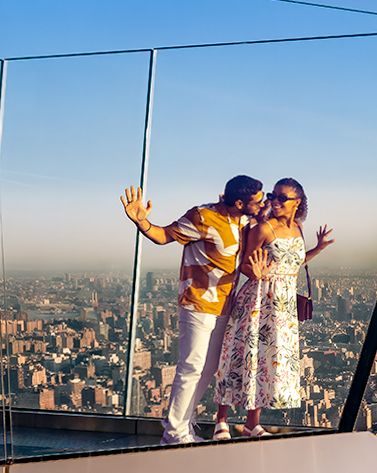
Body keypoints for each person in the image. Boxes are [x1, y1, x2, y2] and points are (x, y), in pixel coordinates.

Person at [120, 176, 266, 444]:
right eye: (258, 200)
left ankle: (182, 425)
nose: (263, 202)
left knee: (209, 368)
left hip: (224, 305)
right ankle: (174, 433)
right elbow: (164, 236)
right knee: (191, 367)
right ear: (239, 202)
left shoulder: (244, 221)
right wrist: (142, 222)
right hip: (198, 304)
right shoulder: (203, 217)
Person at [213, 178, 334, 437]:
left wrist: (317, 249)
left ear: (297, 203)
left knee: (268, 361)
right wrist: (254, 272)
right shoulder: (263, 229)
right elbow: (245, 263)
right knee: (240, 354)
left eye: (282, 198)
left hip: (283, 306)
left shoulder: (299, 229)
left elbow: (294, 263)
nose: (275, 201)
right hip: (258, 298)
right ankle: (220, 419)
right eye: (273, 196)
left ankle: (251, 424)